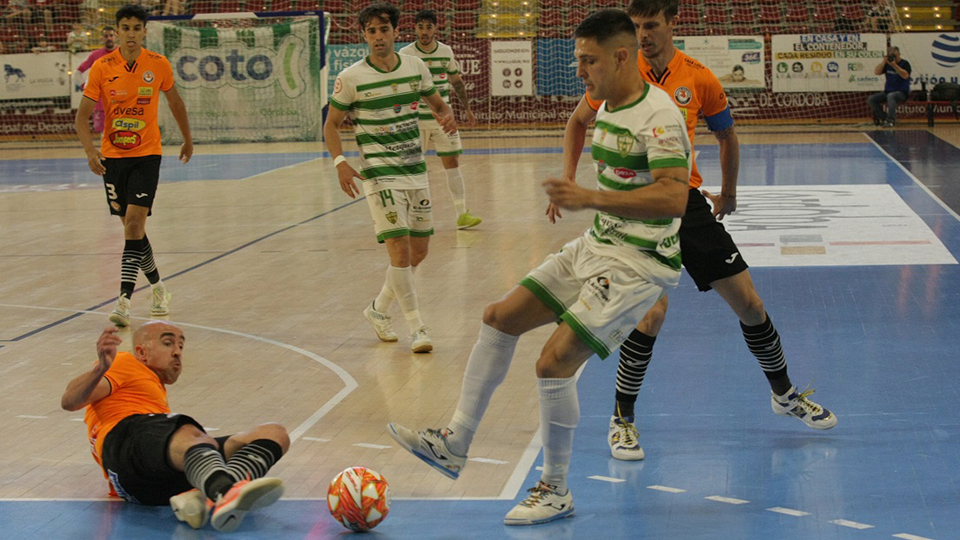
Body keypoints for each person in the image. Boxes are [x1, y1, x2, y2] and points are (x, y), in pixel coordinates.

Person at [388, 9, 691, 525]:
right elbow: (578, 124)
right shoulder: (604, 101)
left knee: (552, 363)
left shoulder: (658, 115)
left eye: (588, 60)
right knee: (498, 317)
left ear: (622, 56)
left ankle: (555, 488)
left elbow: (673, 197)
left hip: (639, 265)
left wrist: (588, 195)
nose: (579, 70)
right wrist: (573, 183)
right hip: (599, 244)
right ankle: (454, 443)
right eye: (578, 59)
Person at [566, 0, 837, 462]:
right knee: (650, 315)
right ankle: (622, 420)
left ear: (673, 24)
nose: (643, 34)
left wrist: (728, 191)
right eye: (636, 27)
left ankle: (784, 394)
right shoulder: (616, 74)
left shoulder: (698, 77)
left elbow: (727, 134)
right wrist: (570, 180)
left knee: (750, 304)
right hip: (636, 209)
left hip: (686, 203)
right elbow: (577, 121)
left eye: (651, 25)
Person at [61, 322, 289, 532]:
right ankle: (226, 491)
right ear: (141, 352)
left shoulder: (153, 391)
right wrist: (101, 367)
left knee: (273, 433)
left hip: (148, 487)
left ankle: (204, 496)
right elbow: (70, 401)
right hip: (123, 442)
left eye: (181, 345)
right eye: (168, 343)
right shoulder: (125, 363)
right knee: (190, 434)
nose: (178, 351)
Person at [323, 2, 458, 353]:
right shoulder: (351, 77)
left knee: (419, 252)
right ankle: (418, 328)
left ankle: (378, 309)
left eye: (384, 30)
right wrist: (340, 161)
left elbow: (439, 104)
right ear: (363, 36)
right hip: (379, 174)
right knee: (399, 251)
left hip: (415, 171)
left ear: (396, 32)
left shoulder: (416, 67)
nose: (378, 37)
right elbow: (331, 125)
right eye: (371, 31)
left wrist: (447, 115)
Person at [74, 5, 192, 327]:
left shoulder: (158, 64)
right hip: (113, 158)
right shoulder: (102, 67)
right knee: (134, 230)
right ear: (117, 32)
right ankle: (159, 288)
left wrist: (187, 138)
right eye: (124, 28)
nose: (130, 33)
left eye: (135, 28)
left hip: (147, 154)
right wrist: (90, 151)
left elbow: (175, 102)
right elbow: (81, 118)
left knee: (134, 224)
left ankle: (124, 301)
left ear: (144, 32)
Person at [399, 9, 482, 230]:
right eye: (420, 27)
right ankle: (408, 216)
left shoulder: (445, 51)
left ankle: (461, 214)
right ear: (414, 28)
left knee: (452, 163)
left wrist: (467, 109)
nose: (424, 32)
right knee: (412, 167)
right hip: (415, 120)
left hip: (444, 119)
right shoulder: (406, 54)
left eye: (429, 27)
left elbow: (456, 82)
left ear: (436, 28)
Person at [73, 26, 117, 134]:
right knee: (105, 136)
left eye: (111, 35)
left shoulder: (124, 53)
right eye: (106, 36)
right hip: (101, 104)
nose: (109, 38)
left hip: (120, 103)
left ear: (115, 37)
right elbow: (76, 74)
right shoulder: (95, 55)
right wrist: (87, 88)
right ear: (102, 38)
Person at [868, 46, 911, 127]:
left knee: (891, 96)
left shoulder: (905, 64)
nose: (893, 57)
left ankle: (891, 120)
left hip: (901, 92)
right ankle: (884, 118)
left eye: (895, 55)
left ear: (899, 54)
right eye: (891, 55)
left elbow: (905, 75)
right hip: (888, 91)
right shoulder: (887, 64)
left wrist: (895, 65)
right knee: (872, 99)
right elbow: (876, 72)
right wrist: (884, 61)